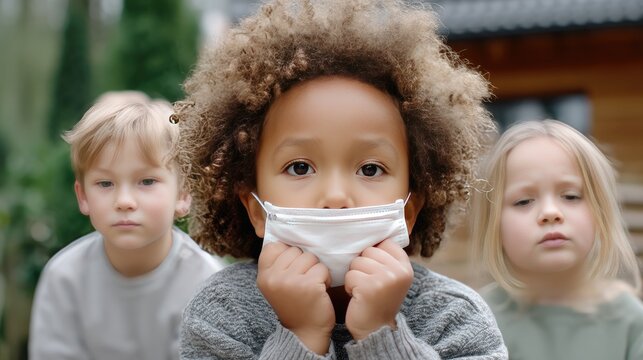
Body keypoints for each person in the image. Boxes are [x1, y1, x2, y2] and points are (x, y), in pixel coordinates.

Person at [174, 0, 508, 358]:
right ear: (256, 210)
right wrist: (300, 335)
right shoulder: (221, 315)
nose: (335, 196)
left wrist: (383, 334)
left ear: (409, 212)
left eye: (370, 169)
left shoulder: (455, 318)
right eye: (300, 167)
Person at [29, 91, 225, 360]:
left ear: (183, 194)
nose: (124, 201)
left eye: (146, 182)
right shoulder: (64, 279)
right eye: (105, 184)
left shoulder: (206, 284)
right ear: (83, 196)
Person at [471, 119, 643, 360]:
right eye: (523, 201)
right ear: (494, 225)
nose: (550, 213)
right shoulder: (475, 318)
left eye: (571, 196)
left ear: (601, 213)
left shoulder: (631, 321)